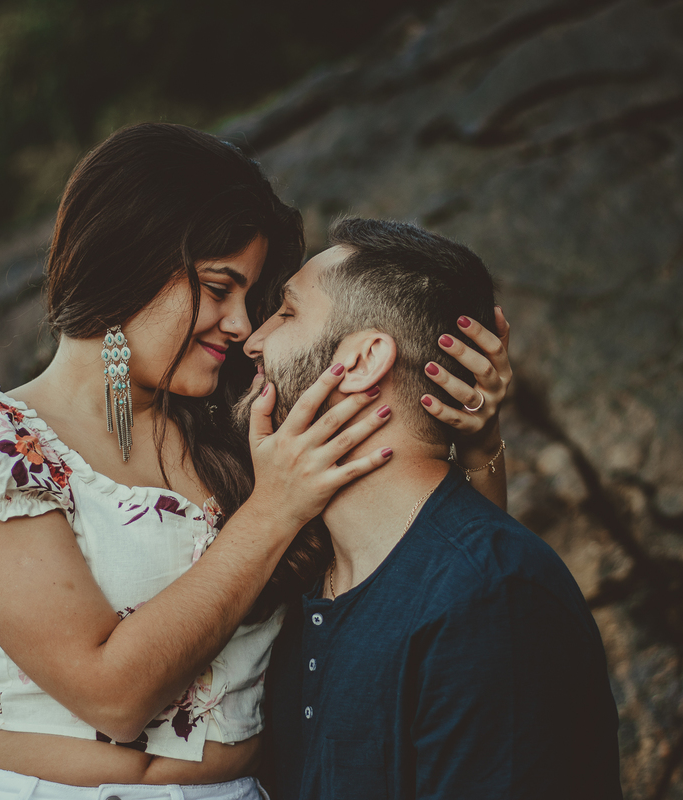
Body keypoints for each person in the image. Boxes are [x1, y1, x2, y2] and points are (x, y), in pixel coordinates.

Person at [0, 124, 512, 799]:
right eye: (220, 288)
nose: (241, 324)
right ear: (129, 261)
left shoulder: (246, 429)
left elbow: (439, 576)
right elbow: (111, 696)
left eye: (252, 299)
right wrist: (272, 512)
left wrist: (477, 442)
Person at [236, 218, 624, 800]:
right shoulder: (311, 582)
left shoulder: (494, 596)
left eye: (287, 313)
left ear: (364, 360)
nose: (253, 340)